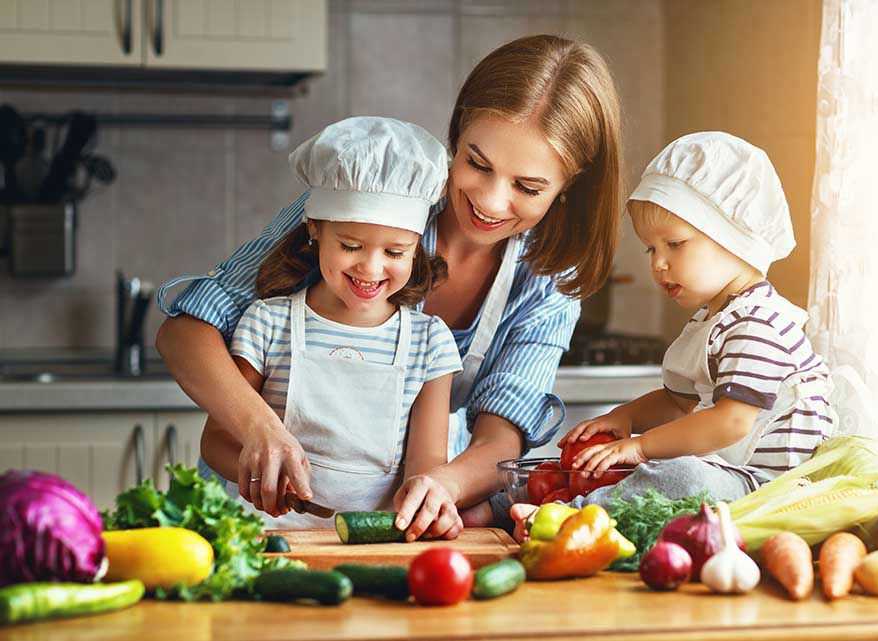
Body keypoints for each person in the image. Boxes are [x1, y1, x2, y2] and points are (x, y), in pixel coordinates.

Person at [155, 35, 624, 540]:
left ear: (568, 185)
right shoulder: (368, 200)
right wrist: (260, 432)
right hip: (252, 517)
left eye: (527, 188)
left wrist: (440, 486)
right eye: (477, 164)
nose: (490, 200)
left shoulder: (547, 282)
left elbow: (499, 439)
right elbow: (185, 333)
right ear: (458, 130)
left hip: (379, 526)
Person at [200, 117, 462, 528]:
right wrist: (259, 477)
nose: (371, 268)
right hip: (267, 536)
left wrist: (425, 506)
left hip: (372, 544)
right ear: (315, 230)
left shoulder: (429, 343)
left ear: (417, 249)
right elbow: (216, 440)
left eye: (396, 252)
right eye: (351, 245)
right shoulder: (269, 323)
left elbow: (425, 469)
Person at [553, 131, 835, 510]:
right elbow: (676, 402)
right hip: (733, 475)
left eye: (675, 244)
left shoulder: (759, 324)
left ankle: (571, 515)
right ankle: (527, 501)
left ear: (733, 237)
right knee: (661, 468)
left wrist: (641, 446)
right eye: (651, 248)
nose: (657, 263)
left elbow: (731, 423)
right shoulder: (714, 320)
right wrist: (625, 417)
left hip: (771, 490)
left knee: (683, 475)